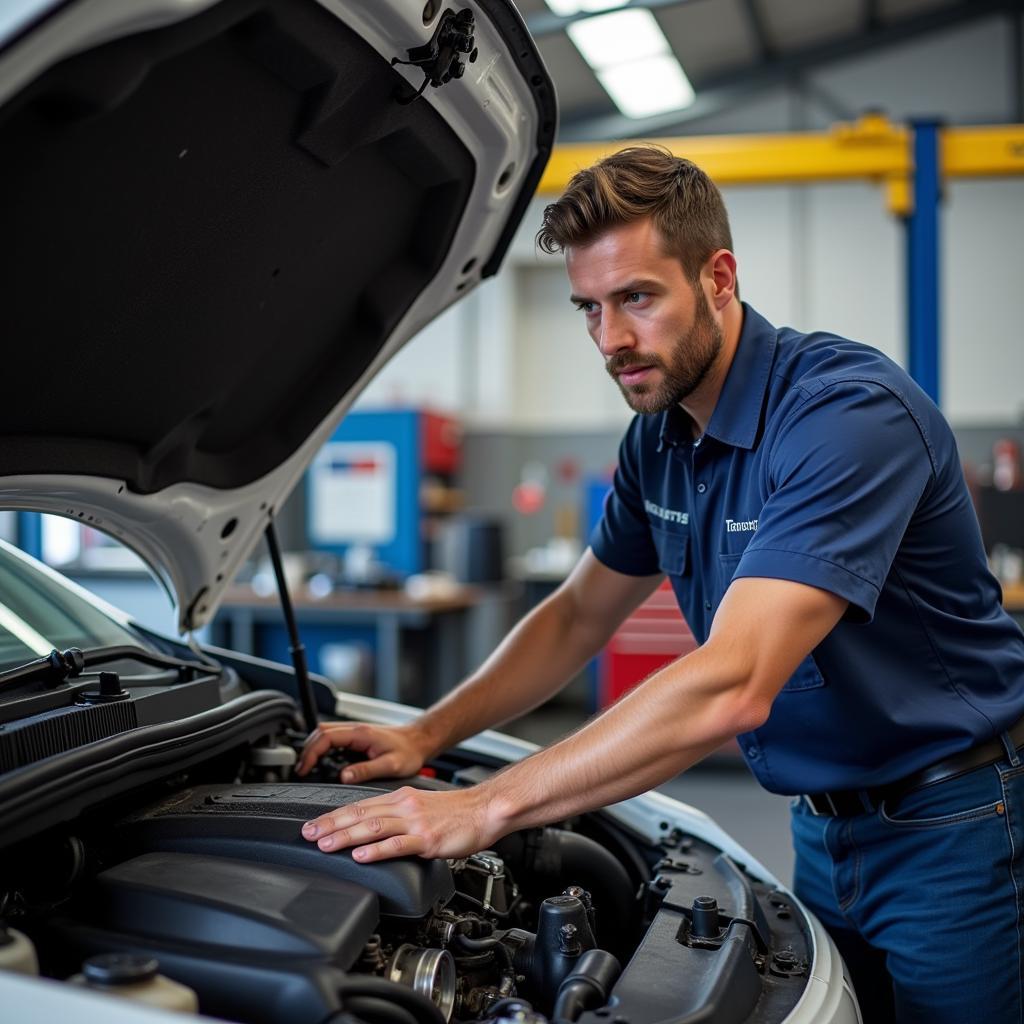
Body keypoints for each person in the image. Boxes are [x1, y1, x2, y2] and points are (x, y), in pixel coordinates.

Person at [296, 146, 1024, 1023]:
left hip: (960, 819)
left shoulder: (847, 414)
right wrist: (426, 733)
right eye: (589, 308)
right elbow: (575, 615)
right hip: (822, 826)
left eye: (637, 298)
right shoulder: (660, 441)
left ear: (718, 277)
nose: (611, 340)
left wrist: (484, 808)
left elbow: (732, 683)